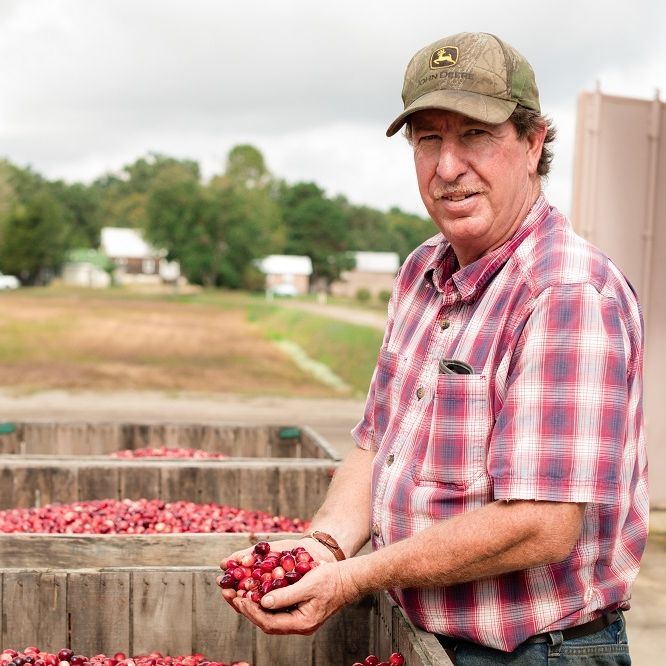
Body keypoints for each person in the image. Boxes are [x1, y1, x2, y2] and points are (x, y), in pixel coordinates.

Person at [220, 31, 648, 665]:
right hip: (428, 638)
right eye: (429, 140)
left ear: (532, 144)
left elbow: (541, 524)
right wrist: (322, 548)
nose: (448, 167)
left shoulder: (566, 291)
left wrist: (354, 578)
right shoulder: (423, 271)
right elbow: (376, 443)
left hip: (536, 653)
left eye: (475, 135)